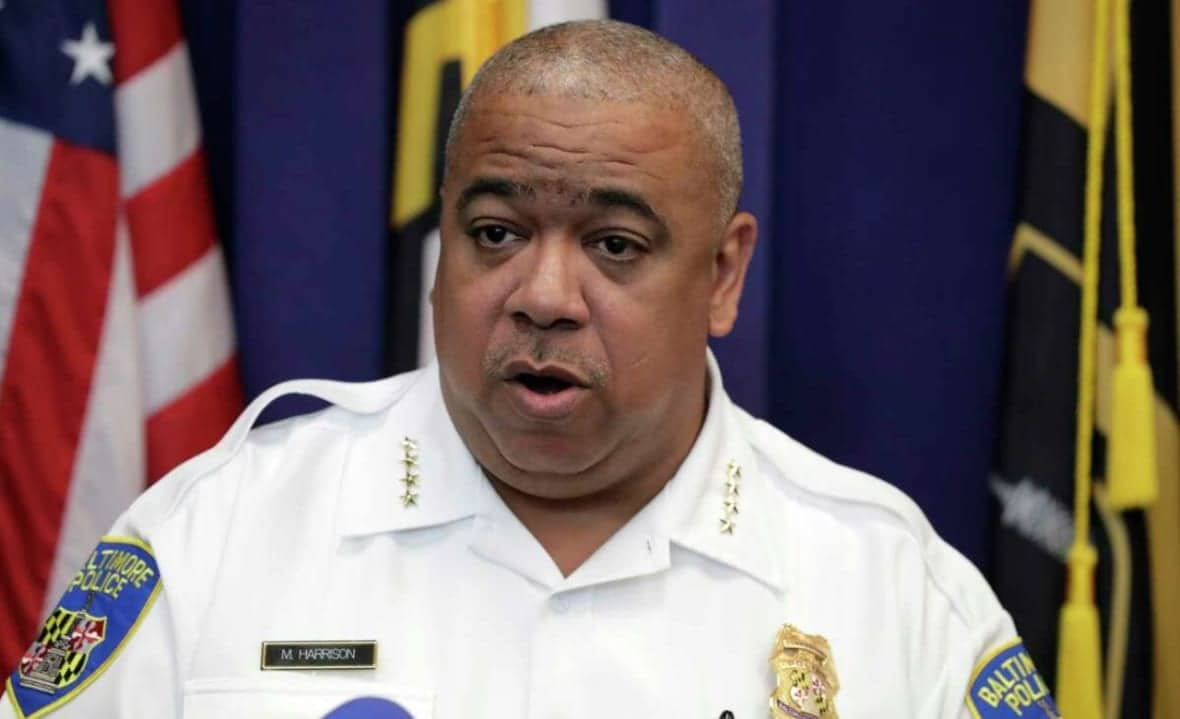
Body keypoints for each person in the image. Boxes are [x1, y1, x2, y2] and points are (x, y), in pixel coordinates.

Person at [3, 20, 1057, 719]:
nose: (543, 293)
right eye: (498, 231)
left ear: (723, 273)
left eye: (614, 245)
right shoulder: (212, 536)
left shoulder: (891, 591)